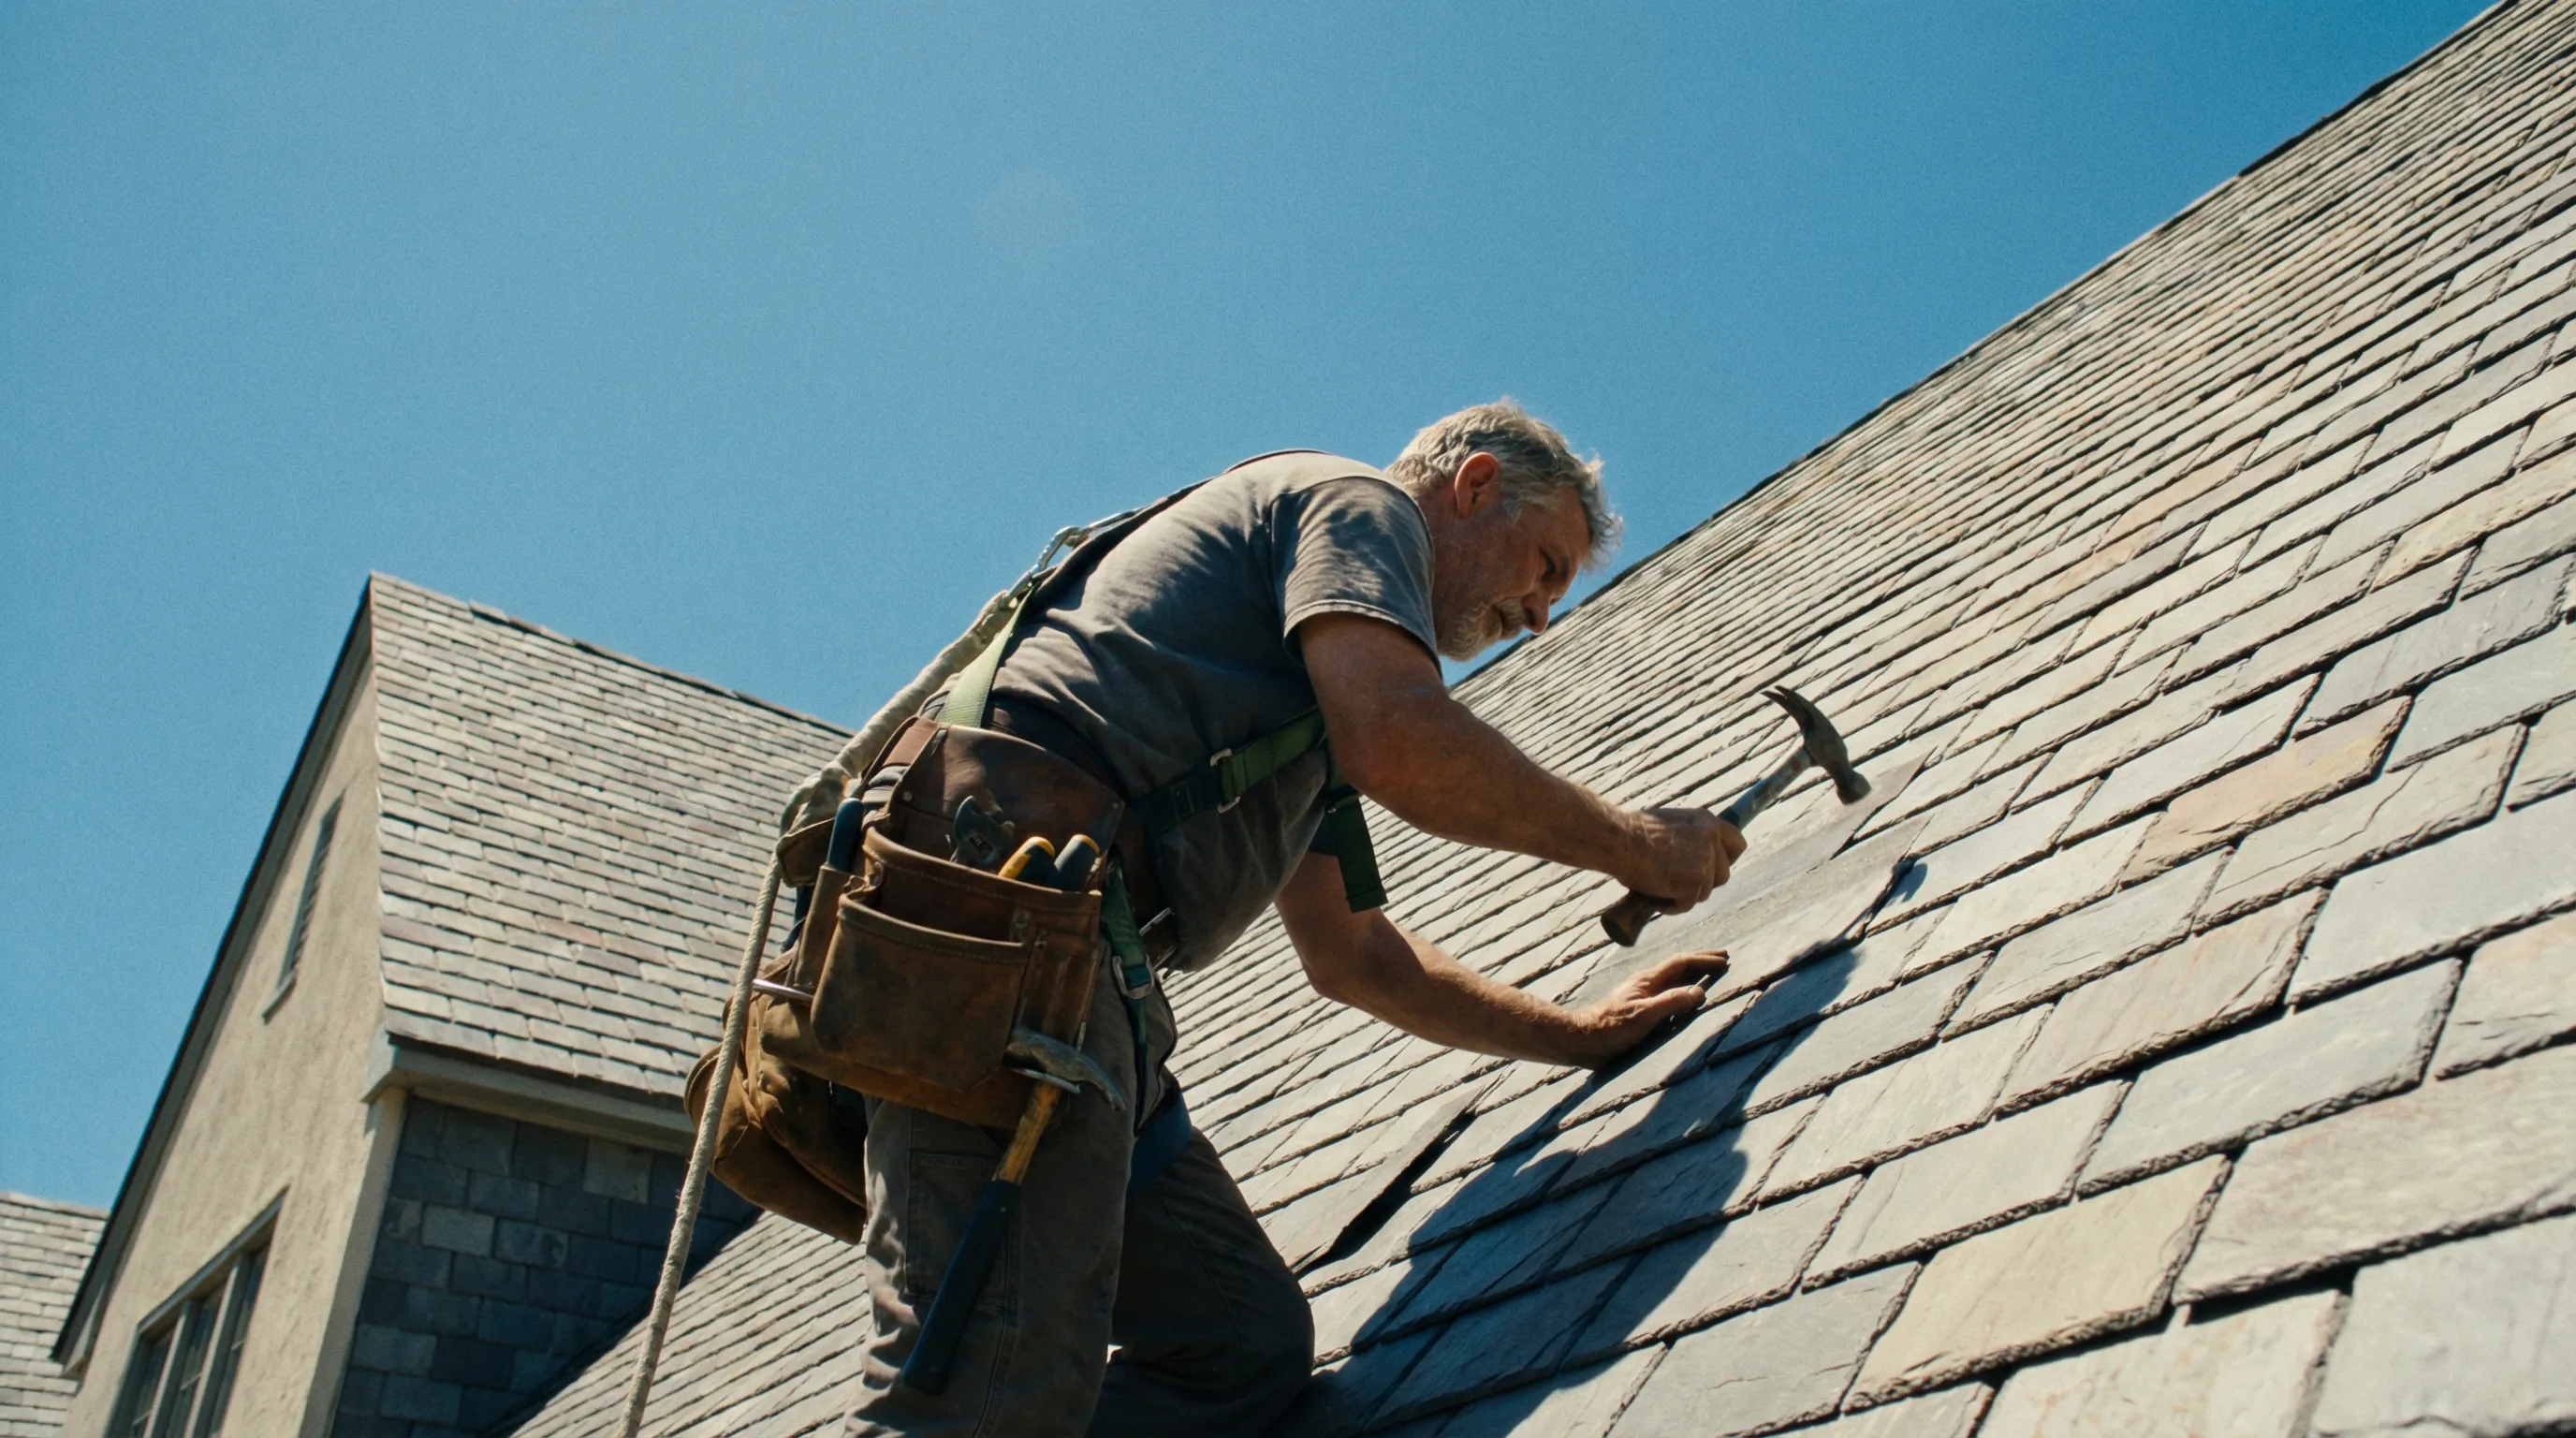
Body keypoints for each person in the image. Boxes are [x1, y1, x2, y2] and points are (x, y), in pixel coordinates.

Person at [846, 401, 1742, 1437]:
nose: (1540, 614)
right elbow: (1401, 740)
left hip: (1075, 978)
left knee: (1236, 1346)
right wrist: (1641, 847)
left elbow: (1357, 957)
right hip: (1000, 926)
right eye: (1544, 566)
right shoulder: (1357, 505)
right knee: (987, 1383)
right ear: (1476, 485)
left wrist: (1575, 1036)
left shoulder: (1298, 714)